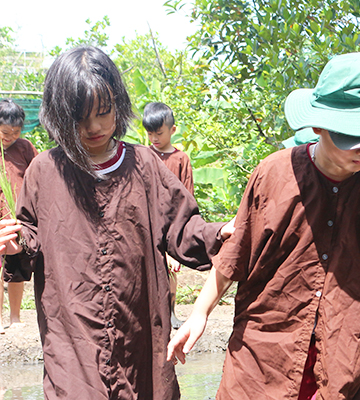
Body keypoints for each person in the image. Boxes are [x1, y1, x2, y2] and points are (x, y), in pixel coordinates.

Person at [166, 52, 360, 400]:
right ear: (319, 126)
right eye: (354, 137)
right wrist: (199, 313)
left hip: (341, 358)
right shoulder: (273, 174)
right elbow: (235, 255)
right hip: (263, 359)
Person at [0, 46, 232, 399]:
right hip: (72, 341)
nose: (94, 127)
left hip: (138, 334)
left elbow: (183, 229)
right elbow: (31, 236)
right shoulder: (44, 171)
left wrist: (221, 233)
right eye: (79, 118)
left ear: (118, 106)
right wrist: (17, 243)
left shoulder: (144, 165)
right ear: (59, 116)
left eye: (103, 113)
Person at [143, 101, 194, 330]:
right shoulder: (144, 156)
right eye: (150, 133)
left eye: (159, 133)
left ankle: (171, 312)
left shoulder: (181, 159)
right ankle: (153, 312)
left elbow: (187, 194)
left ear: (172, 130)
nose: (154, 138)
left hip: (173, 223)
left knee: (172, 268)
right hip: (148, 220)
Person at [0, 99, 37, 332]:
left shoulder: (24, 148)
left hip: (17, 221)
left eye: (15, 132)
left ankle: (15, 317)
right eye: (5, 132)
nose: (10, 136)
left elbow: (37, 177)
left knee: (15, 271)